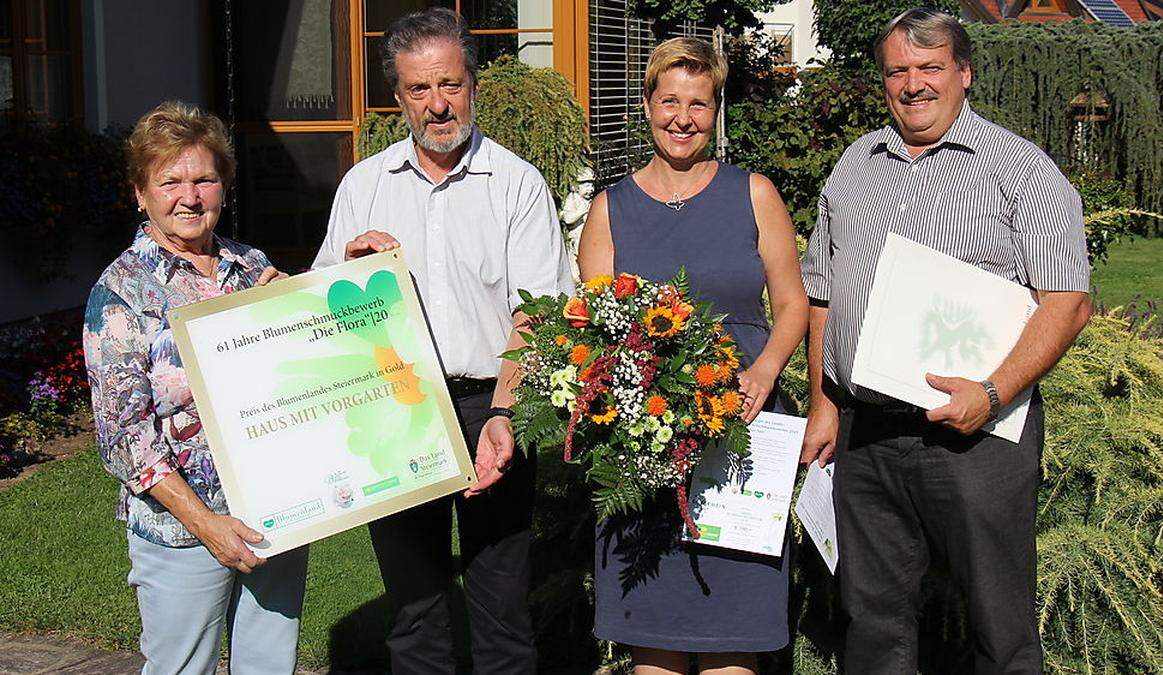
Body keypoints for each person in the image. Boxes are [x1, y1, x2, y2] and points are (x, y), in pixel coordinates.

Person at [800, 8, 1093, 674]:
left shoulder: (1020, 170)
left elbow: (1067, 303)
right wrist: (823, 400)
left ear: (963, 74)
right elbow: (821, 291)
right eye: (898, 70)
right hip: (866, 432)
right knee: (872, 624)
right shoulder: (855, 165)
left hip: (976, 438)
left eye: (930, 67)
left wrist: (993, 393)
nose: (913, 84)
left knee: (1000, 626)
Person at [311, 8, 573, 674]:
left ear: (473, 84)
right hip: (394, 410)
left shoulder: (517, 184)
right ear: (398, 98)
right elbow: (318, 312)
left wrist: (507, 413)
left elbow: (539, 312)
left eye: (450, 85)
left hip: (494, 403)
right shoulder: (362, 186)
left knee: (502, 611)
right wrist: (348, 268)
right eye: (419, 90)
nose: (437, 104)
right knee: (414, 613)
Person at [577, 37, 809, 674]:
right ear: (647, 103)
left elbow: (792, 304)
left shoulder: (753, 194)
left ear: (716, 110)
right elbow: (597, 332)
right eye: (670, 100)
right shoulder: (609, 211)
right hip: (645, 449)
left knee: (735, 638)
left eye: (699, 104)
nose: (683, 118)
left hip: (745, 433)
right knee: (656, 635)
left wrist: (764, 371)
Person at [83, 101, 307, 674]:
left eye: (205, 178)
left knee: (269, 666)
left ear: (224, 186)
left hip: (276, 512)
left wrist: (298, 315)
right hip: (183, 530)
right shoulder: (121, 293)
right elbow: (125, 439)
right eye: (170, 181)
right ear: (140, 192)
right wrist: (207, 526)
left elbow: (296, 382)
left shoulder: (251, 267)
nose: (190, 195)